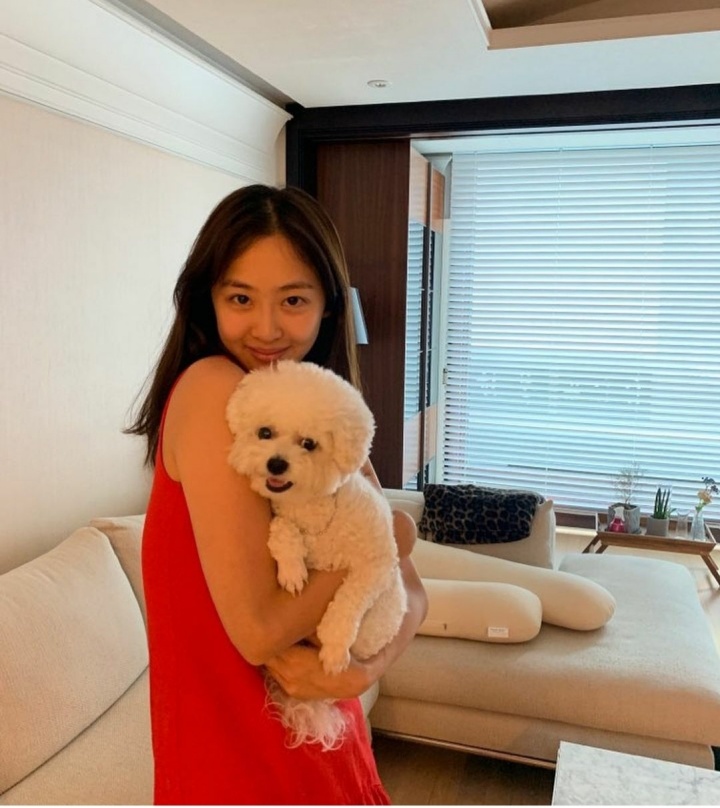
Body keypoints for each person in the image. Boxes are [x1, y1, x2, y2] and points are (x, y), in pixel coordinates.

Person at [126, 183, 427, 805]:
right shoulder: (212, 387)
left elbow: (414, 592)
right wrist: (382, 544)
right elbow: (261, 632)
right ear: (208, 299)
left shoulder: (318, 409)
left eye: (293, 300)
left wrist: (362, 671)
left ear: (327, 307)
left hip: (330, 744)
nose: (266, 329)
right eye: (240, 298)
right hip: (239, 765)